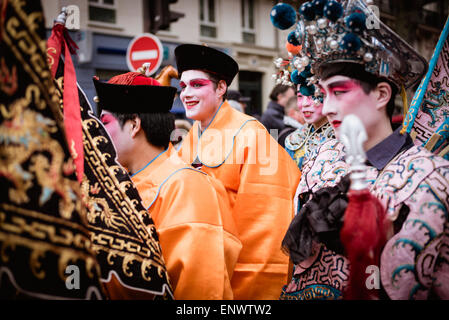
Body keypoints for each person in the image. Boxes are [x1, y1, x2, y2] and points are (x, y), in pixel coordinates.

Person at [278, 0, 449, 300]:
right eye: (323, 93)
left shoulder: (432, 177)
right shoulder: (320, 160)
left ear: (382, 94)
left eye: (340, 92)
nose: (328, 108)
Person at [93, 69, 242, 300]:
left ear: (134, 125)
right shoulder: (120, 180)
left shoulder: (186, 186)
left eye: (104, 122)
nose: (98, 134)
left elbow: (200, 289)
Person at [175, 44, 301, 300]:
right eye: (183, 86)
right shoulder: (191, 138)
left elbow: (267, 227)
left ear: (221, 88)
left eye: (197, 85)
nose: (186, 93)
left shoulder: (253, 135)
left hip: (238, 282)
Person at [284, 90, 333, 169]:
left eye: (313, 95)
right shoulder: (293, 140)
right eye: (300, 96)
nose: (304, 103)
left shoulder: (344, 137)